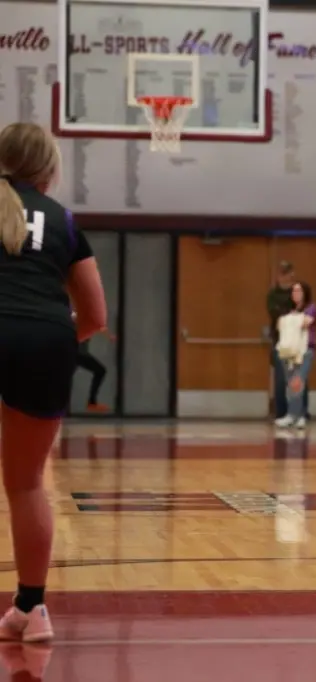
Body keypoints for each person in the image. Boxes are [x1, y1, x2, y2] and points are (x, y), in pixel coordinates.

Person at [0, 122, 107, 641]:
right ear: (48, 170)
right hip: (45, 341)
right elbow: (95, 316)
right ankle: (32, 609)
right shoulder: (63, 219)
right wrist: (52, 338)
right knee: (26, 483)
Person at [274, 281, 316, 430]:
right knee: (290, 384)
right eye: (293, 291)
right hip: (288, 350)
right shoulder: (287, 309)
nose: (296, 293)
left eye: (299, 290)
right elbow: (279, 325)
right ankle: (292, 414)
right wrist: (291, 319)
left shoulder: (311, 308)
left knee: (298, 382)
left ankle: (299, 415)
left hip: (305, 351)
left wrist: (291, 320)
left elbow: (305, 323)